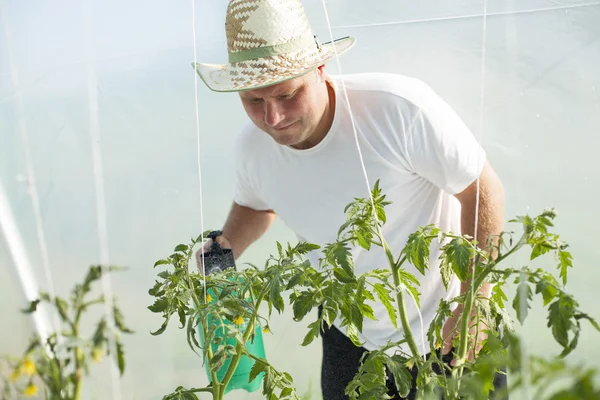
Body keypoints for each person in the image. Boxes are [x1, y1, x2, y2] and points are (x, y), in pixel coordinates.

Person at [193, 0, 507, 399]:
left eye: (287, 95)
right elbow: (257, 203)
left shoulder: (398, 109)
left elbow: (481, 189)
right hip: (349, 338)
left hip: (449, 327)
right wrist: (220, 254)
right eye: (254, 101)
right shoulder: (254, 147)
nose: (273, 118)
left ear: (320, 70)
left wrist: (474, 301)